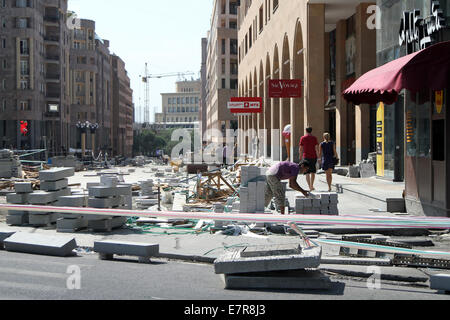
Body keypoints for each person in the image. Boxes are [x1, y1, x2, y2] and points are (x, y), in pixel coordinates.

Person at [299, 127, 319, 191]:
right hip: (313, 156)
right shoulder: (314, 138)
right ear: (311, 131)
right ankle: (311, 185)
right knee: (313, 171)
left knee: (307, 172)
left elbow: (301, 148)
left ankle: (309, 186)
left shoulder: (303, 138)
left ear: (306, 131)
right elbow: (316, 148)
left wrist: (300, 156)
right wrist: (318, 157)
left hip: (306, 156)